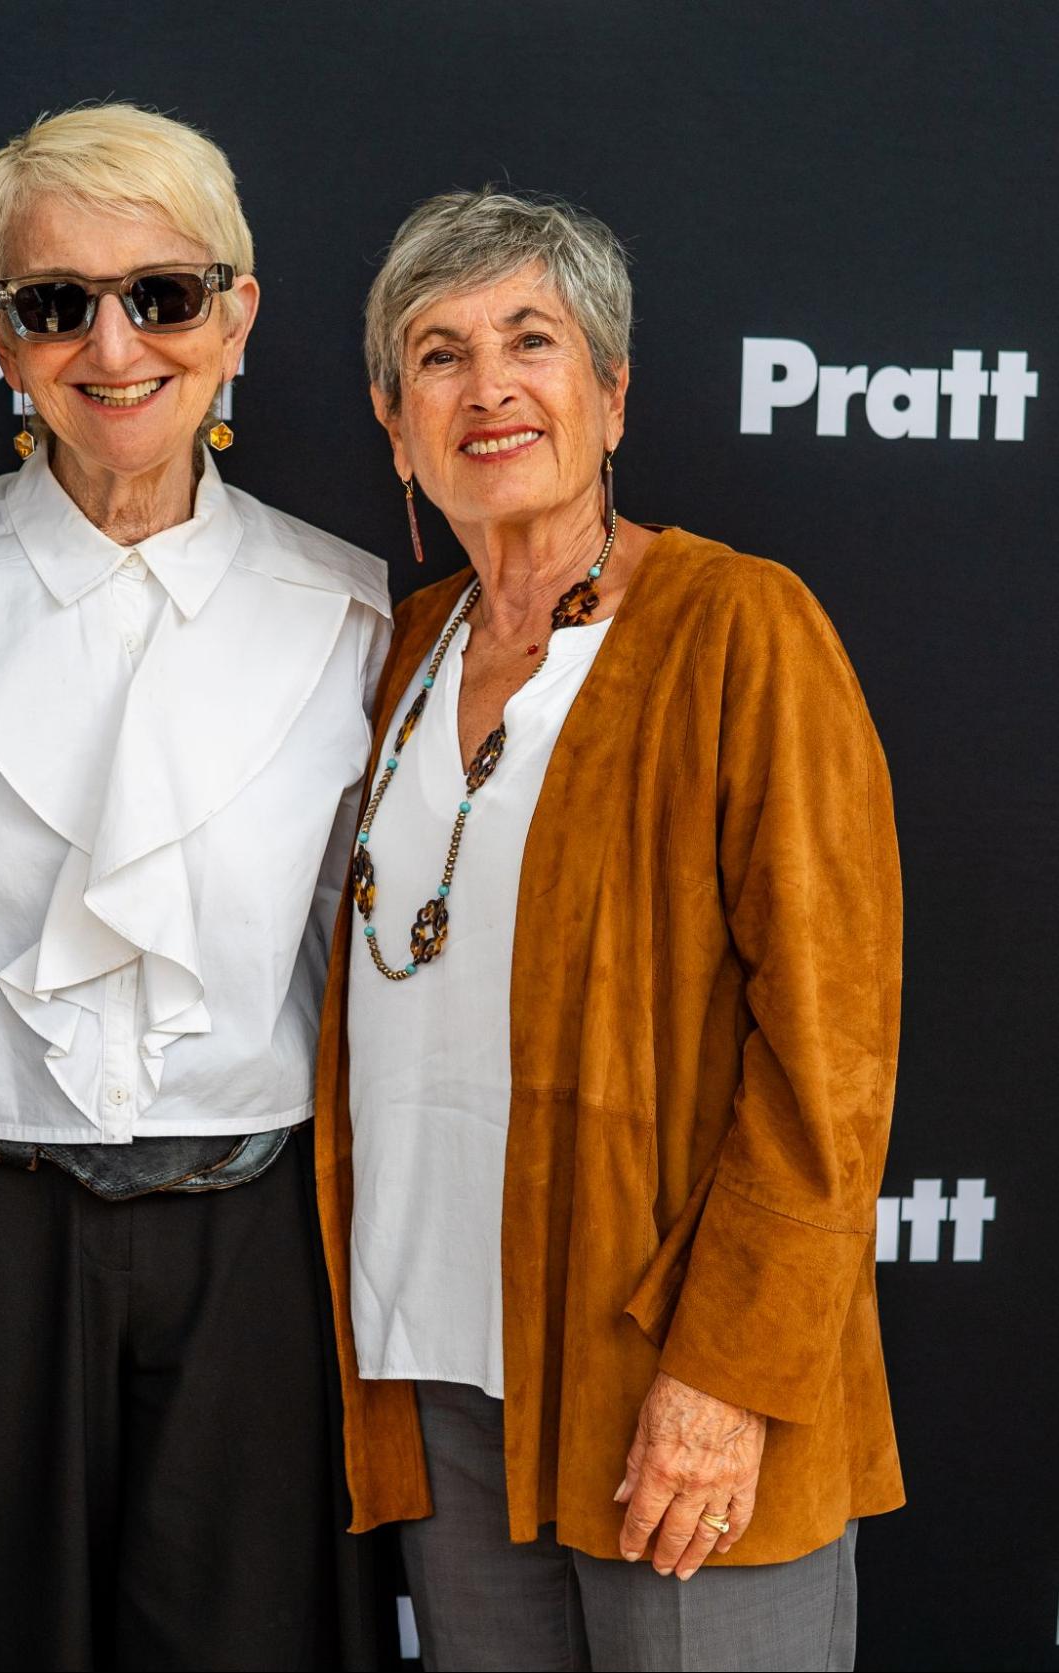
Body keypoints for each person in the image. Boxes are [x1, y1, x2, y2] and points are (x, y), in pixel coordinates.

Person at [0, 104, 391, 1671]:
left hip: (255, 1246)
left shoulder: (350, 614)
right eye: (58, 301)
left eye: (165, 295)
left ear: (237, 316)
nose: (115, 345)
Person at [315, 186, 903, 1670]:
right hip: (443, 1370)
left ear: (614, 393)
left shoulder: (741, 627)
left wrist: (729, 1375)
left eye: (533, 340)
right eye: (439, 354)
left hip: (672, 1377)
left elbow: (832, 1056)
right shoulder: (399, 648)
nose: (489, 386)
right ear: (394, 421)